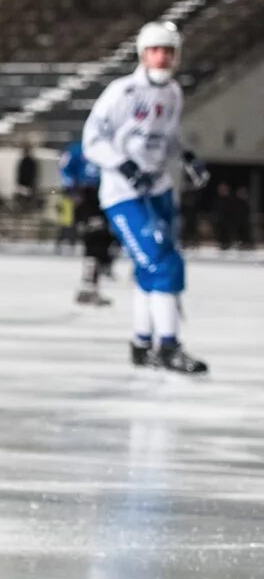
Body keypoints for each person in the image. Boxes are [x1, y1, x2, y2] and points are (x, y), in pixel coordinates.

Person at [83, 20, 210, 373]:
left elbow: (167, 136)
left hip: (158, 188)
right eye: (156, 51)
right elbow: (92, 139)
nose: (163, 58)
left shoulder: (173, 93)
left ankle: (142, 343)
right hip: (124, 193)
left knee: (150, 267)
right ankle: (168, 347)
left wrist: (186, 157)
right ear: (142, 54)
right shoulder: (122, 93)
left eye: (169, 51)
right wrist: (122, 166)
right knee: (164, 263)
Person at [59, 139, 112, 306]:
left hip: (107, 195)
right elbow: (65, 169)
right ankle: (87, 285)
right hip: (86, 196)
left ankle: (93, 285)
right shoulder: (78, 149)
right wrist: (73, 191)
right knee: (93, 237)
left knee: (104, 239)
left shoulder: (110, 146)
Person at [15, 145, 39, 212]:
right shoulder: (25, 161)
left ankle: (27, 210)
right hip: (25, 184)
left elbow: (32, 174)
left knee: (27, 199)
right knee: (24, 199)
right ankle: (25, 210)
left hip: (27, 184)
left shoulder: (29, 162)